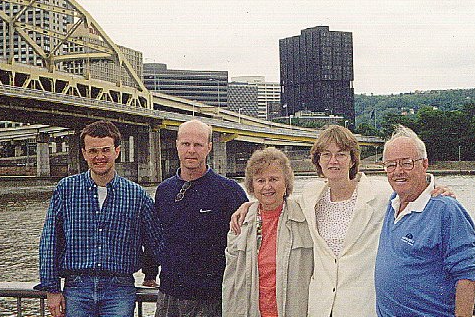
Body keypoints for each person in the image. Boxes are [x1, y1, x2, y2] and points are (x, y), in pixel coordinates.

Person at [231, 125, 453, 316]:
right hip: (320, 306)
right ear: (318, 160)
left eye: (341, 154)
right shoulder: (310, 196)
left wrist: (436, 190)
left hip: (361, 305)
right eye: (326, 154)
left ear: (352, 159)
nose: (333, 160)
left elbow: (411, 192)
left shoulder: (379, 194)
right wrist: (250, 205)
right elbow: (277, 199)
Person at [35, 120, 163, 317]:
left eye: (105, 150)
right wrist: (52, 289)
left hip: (119, 288)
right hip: (76, 288)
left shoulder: (137, 195)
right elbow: (50, 240)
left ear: (117, 151)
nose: (100, 157)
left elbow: (154, 241)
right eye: (93, 151)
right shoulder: (66, 189)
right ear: (84, 153)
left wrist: (150, 274)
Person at [375, 125, 475, 317]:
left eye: (406, 163)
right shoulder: (391, 203)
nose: (398, 171)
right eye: (391, 165)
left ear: (424, 164)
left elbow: (468, 274)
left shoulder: (445, 209)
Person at [153, 119, 248, 317]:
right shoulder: (164, 191)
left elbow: (247, 243)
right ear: (177, 145)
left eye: (198, 145)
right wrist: (149, 273)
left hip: (211, 298)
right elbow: (156, 238)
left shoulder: (229, 191)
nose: (191, 150)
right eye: (186, 144)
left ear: (209, 148)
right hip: (169, 294)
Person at [222, 147, 313, 316]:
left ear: (286, 183)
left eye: (274, 179)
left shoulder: (306, 217)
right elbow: (231, 283)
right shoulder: (240, 223)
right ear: (252, 186)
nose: (267, 186)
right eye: (260, 180)